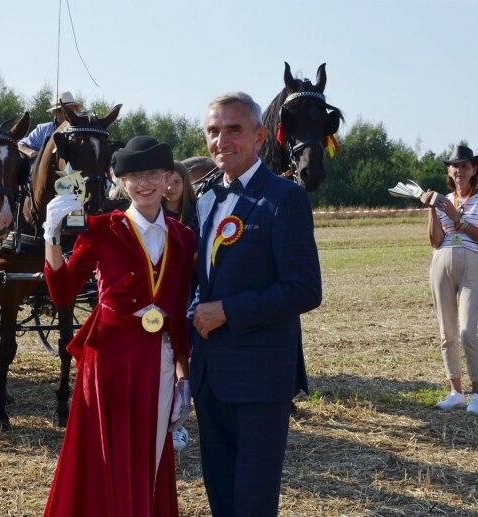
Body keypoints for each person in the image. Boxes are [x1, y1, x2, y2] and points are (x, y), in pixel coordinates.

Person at [42, 136, 196, 516]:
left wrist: (183, 375)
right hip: (108, 359)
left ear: (167, 178)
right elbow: (62, 293)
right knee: (103, 458)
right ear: (121, 183)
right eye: (134, 176)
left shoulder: (184, 238)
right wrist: (51, 238)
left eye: (152, 174)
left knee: (148, 454)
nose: (144, 183)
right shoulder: (99, 228)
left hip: (157, 362)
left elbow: (177, 311)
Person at [188, 92, 322, 516]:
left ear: (260, 136)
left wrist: (228, 311)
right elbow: (203, 281)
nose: (221, 140)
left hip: (260, 377)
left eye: (233, 130)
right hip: (210, 374)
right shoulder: (206, 200)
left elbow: (304, 289)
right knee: (221, 497)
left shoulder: (285, 198)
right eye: (213, 131)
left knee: (252, 500)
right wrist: (196, 307)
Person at [420, 145, 478, 416]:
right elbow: (435, 240)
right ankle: (456, 392)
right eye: (454, 166)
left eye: (465, 166)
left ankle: (477, 394)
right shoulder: (443, 201)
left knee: (467, 330)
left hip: (474, 261)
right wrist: (432, 209)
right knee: (447, 332)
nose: (459, 170)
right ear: (448, 171)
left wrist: (459, 219)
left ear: (474, 169)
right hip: (442, 261)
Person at [161, 159, 198, 452]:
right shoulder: (151, 214)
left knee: (183, 355)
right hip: (160, 293)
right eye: (168, 182)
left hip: (188, 291)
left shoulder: (195, 215)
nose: (171, 187)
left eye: (177, 182)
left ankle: (179, 423)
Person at [18, 91, 82, 159]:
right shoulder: (43, 130)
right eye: (60, 110)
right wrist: (33, 153)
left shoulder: (83, 131)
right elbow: (21, 145)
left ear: (75, 111)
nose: (65, 114)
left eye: (69, 110)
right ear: (54, 113)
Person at [163, 160, 198, 234]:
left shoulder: (198, 211)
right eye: (166, 182)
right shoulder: (153, 213)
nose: (170, 187)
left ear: (185, 183)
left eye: (176, 182)